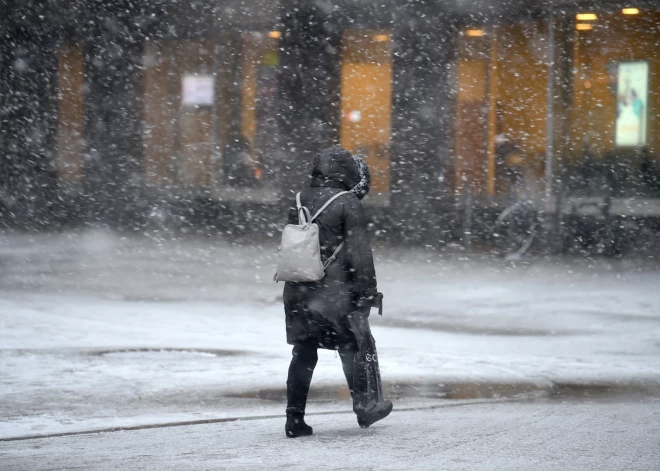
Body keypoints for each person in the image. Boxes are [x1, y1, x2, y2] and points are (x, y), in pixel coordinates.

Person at [282, 146, 392, 438]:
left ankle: (294, 419)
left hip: (297, 288)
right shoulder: (347, 202)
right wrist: (368, 293)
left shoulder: (299, 198)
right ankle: (365, 407)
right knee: (351, 347)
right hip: (333, 292)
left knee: (303, 353)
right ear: (346, 172)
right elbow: (359, 254)